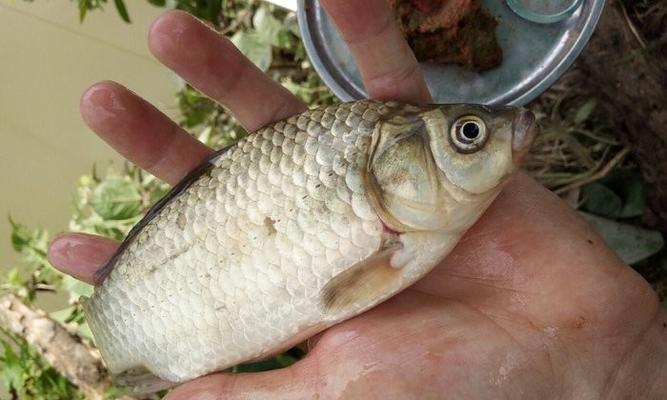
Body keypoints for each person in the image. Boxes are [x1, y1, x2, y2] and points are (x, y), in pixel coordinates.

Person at [47, 1, 666, 399]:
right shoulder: (400, 222)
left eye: (468, 133)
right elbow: (341, 292)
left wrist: (629, 367)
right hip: (159, 306)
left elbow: (346, 291)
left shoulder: (410, 227)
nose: (509, 136)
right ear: (385, 168)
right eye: (469, 135)